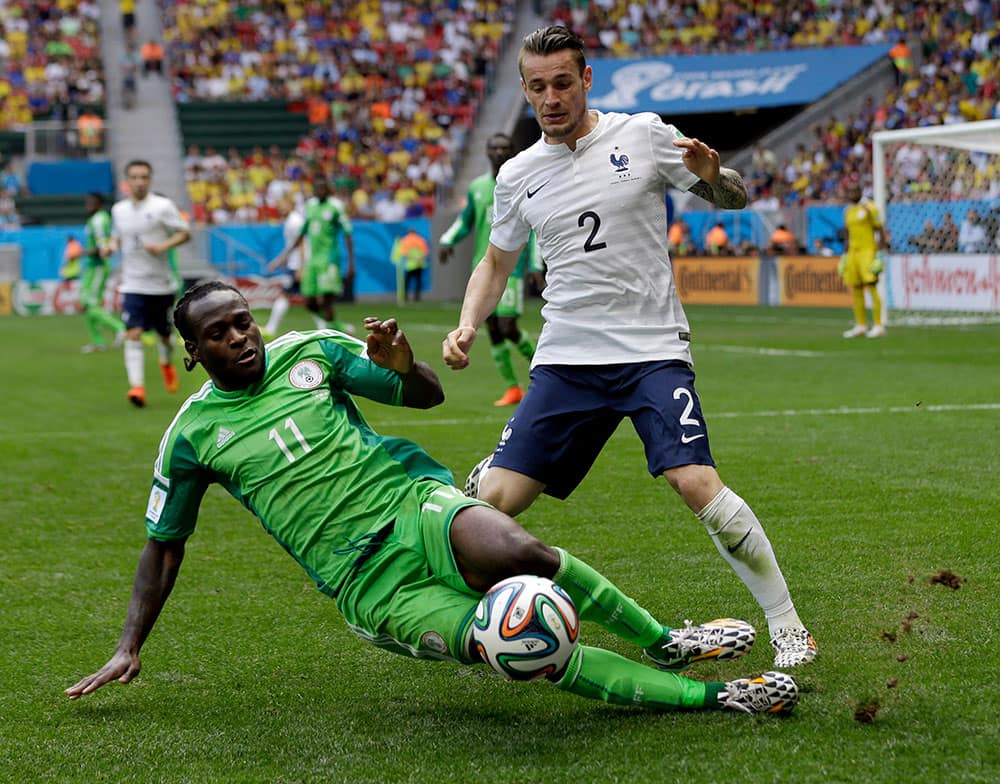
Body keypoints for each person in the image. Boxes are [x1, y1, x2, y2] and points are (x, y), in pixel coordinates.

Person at [64, 281, 798, 716]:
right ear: (193, 351)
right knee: (521, 648)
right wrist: (130, 645)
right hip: (365, 581)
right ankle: (719, 698)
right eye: (219, 335)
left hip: (412, 504)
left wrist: (403, 365)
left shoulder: (311, 352)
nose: (240, 339)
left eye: (243, 322)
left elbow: (425, 397)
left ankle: (665, 641)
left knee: (523, 552)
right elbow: (164, 545)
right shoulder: (190, 437)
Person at [442, 26, 816, 669]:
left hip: (650, 349)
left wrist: (710, 176)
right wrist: (468, 324)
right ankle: (471, 617)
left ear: (586, 79)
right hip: (567, 359)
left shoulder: (641, 133)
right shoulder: (518, 175)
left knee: (694, 480)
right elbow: (495, 262)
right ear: (526, 92)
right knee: (494, 506)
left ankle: (788, 627)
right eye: (537, 88)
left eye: (563, 82)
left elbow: (732, 196)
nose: (551, 98)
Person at [439, 133, 541, 407]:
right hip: (483, 268)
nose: (498, 152)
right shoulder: (477, 188)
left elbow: (534, 228)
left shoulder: (523, 183)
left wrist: (535, 263)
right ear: (487, 152)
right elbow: (466, 221)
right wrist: (448, 240)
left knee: (508, 326)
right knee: (494, 329)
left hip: (512, 268)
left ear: (512, 151)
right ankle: (512, 388)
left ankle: (542, 373)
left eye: (504, 148)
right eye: (494, 147)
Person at [111, 160, 191, 407]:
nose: (139, 182)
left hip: (161, 285)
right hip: (133, 284)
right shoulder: (119, 210)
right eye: (134, 177)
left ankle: (166, 364)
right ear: (127, 181)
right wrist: (110, 247)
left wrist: (163, 246)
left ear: (150, 179)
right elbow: (118, 239)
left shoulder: (162, 206)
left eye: (144, 177)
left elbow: (185, 232)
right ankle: (137, 387)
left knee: (165, 337)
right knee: (132, 333)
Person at [271, 177, 355, 335]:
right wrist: (285, 256)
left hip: (329, 260)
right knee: (309, 302)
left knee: (325, 301)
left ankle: (332, 334)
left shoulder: (336, 206)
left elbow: (348, 234)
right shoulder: (310, 206)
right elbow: (302, 234)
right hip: (312, 261)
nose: (320, 191)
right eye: (317, 189)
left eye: (323, 188)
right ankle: (336, 326)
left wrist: (351, 263)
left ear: (328, 190)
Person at [79, 193, 126, 353]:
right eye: (88, 201)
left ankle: (120, 327)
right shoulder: (95, 219)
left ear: (99, 203)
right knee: (88, 304)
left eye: (92, 202)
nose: (88, 204)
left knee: (89, 302)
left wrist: (82, 253)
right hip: (93, 266)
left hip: (98, 266)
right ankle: (97, 342)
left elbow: (103, 248)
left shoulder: (99, 219)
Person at [840, 183, 887, 339]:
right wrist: (845, 254)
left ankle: (879, 325)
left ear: (860, 192)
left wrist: (880, 253)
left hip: (868, 251)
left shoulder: (870, 208)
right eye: (850, 191)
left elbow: (879, 229)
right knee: (856, 287)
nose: (852, 194)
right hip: (853, 253)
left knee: (872, 286)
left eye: (855, 191)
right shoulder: (848, 211)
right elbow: (847, 232)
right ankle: (860, 325)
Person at [263, 196, 305, 339]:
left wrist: (302, 267)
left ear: (291, 205)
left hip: (297, 265)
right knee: (309, 299)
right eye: (279, 205)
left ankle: (271, 328)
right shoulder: (290, 221)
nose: (281, 208)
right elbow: (292, 246)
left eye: (284, 205)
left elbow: (302, 244)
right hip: (294, 263)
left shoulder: (295, 221)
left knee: (284, 295)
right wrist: (279, 261)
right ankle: (326, 325)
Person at [391, 228, 430, 303]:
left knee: (407, 281)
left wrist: (413, 259)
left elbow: (404, 253)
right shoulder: (421, 239)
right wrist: (419, 259)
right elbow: (425, 252)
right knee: (418, 281)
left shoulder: (405, 240)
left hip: (410, 265)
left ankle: (405, 297)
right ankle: (417, 298)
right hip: (420, 264)